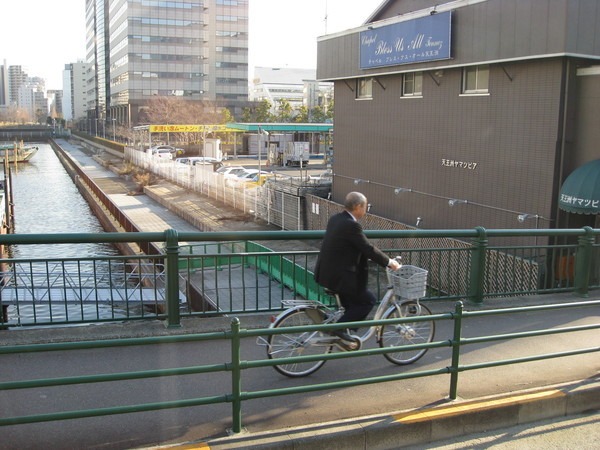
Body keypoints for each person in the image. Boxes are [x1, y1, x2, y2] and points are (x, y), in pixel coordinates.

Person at [314, 192, 401, 343]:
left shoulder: (336, 219)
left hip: (328, 273)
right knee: (368, 301)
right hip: (341, 277)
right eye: (365, 207)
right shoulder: (351, 225)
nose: (365, 211)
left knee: (352, 306)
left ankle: (344, 338)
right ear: (358, 207)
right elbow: (367, 248)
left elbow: (350, 246)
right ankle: (338, 330)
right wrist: (389, 262)